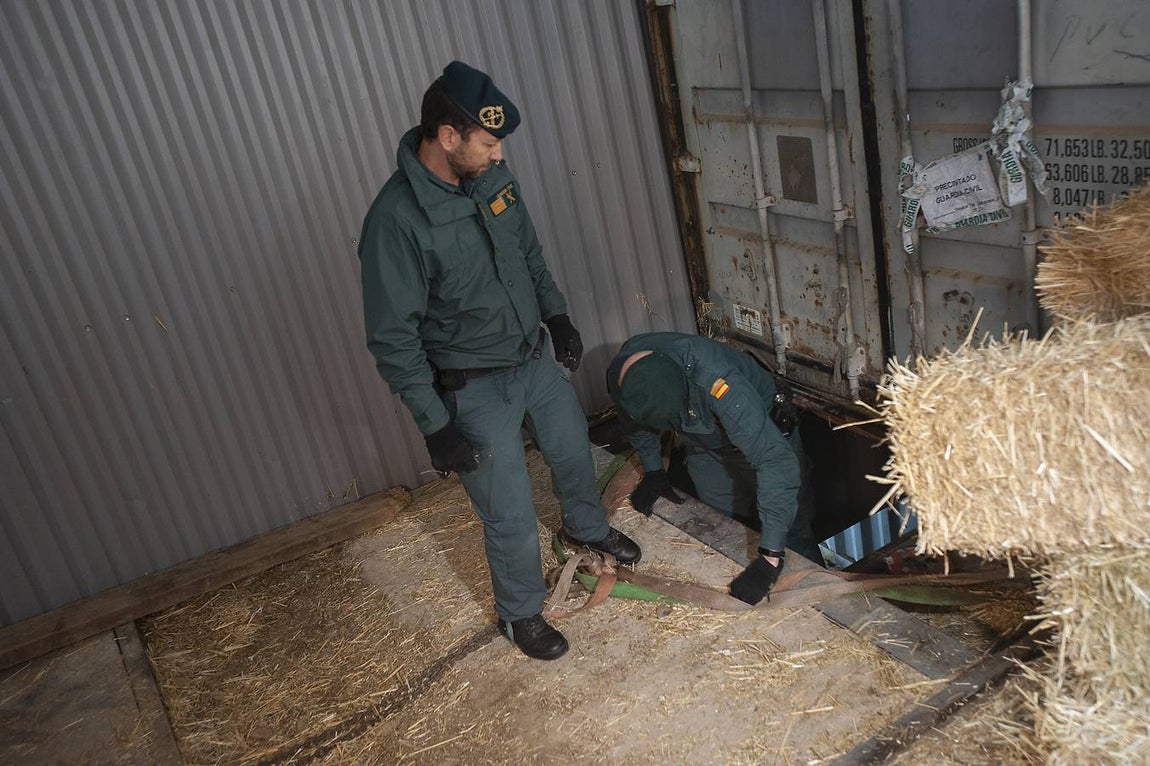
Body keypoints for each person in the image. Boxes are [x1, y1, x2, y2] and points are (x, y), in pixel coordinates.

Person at [358, 61, 640, 661]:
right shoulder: (396, 222)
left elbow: (528, 253)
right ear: (447, 136)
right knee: (508, 510)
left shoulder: (491, 179)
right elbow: (393, 339)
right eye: (488, 143)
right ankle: (520, 613)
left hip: (531, 359)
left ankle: (586, 530)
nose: (497, 155)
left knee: (573, 451)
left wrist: (557, 315)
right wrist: (435, 425)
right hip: (473, 387)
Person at [605, 332, 821, 605]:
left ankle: (819, 597)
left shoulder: (717, 381)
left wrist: (770, 555)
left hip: (764, 437)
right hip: (704, 443)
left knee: (792, 529)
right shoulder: (623, 376)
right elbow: (634, 425)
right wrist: (653, 470)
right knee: (722, 526)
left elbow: (775, 460)